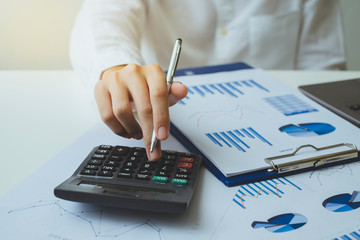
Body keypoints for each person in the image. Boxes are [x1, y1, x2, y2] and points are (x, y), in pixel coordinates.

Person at [70, 0, 346, 161]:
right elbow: (102, 18)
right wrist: (115, 67)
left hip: (284, 140)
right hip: (171, 120)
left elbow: (322, 68)